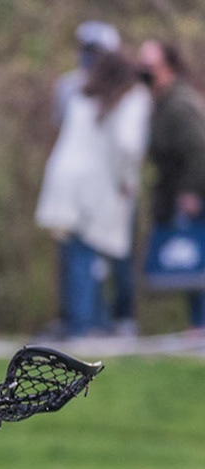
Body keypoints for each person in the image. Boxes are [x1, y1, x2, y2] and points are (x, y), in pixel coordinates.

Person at [35, 51, 151, 338]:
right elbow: (127, 145)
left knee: (77, 254)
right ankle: (83, 324)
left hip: (65, 182)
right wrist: (127, 180)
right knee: (86, 256)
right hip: (93, 187)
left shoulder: (82, 96)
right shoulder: (130, 99)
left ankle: (90, 320)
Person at [140, 39, 205, 332]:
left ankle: (200, 324)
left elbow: (199, 150)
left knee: (197, 258)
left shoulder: (180, 105)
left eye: (149, 64)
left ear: (168, 67)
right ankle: (197, 325)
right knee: (190, 263)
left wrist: (190, 191)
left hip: (194, 193)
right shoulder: (160, 102)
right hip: (176, 192)